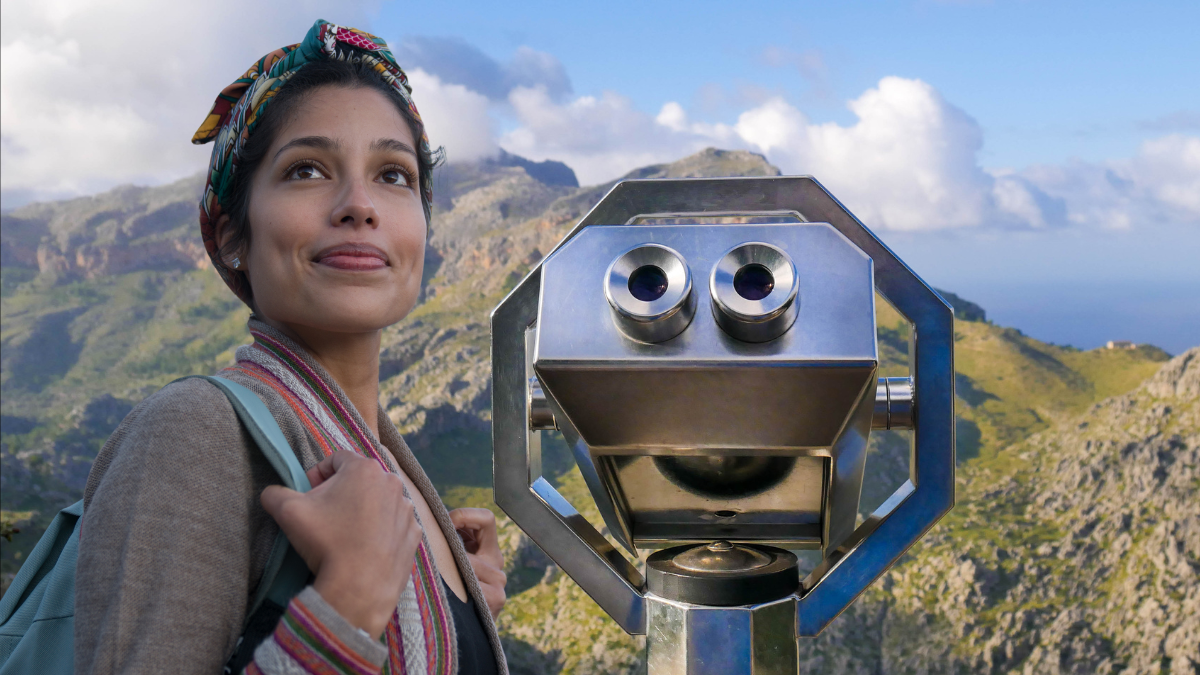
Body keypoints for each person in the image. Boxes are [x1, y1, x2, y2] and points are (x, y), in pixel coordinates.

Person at [74, 20, 508, 675]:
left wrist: (457, 614)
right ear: (231, 236)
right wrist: (349, 603)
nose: (360, 205)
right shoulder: (194, 433)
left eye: (394, 174)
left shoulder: (388, 462)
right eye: (306, 169)